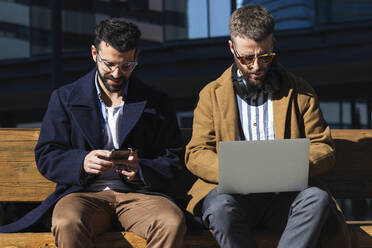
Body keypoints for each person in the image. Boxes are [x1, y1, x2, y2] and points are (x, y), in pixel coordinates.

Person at [0, 18, 187, 248]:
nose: (117, 73)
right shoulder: (65, 98)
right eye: (109, 64)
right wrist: (81, 162)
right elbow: (47, 154)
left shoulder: (156, 101)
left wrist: (141, 170)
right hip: (83, 194)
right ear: (94, 53)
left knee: (171, 221)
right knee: (67, 222)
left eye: (126, 65)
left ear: (136, 56)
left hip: (139, 196)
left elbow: (174, 159)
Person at [185, 5, 353, 248]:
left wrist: (293, 169)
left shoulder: (300, 91)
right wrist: (233, 173)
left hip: (285, 201)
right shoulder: (211, 95)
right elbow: (196, 152)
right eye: (246, 58)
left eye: (265, 56)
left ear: (273, 43)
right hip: (234, 200)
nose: (256, 66)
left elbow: (323, 148)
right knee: (220, 208)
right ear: (231, 48)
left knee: (316, 199)